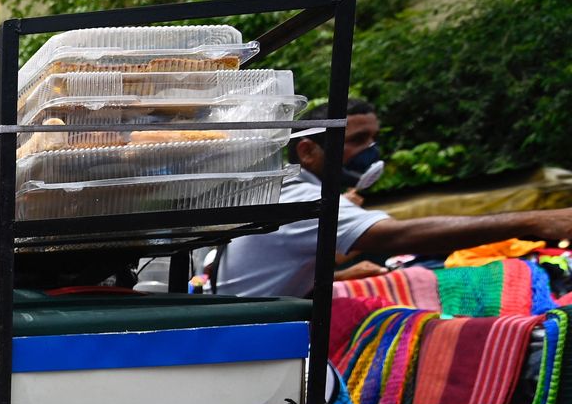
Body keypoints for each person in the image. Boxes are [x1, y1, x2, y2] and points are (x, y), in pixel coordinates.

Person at [218, 99, 572, 297]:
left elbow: (276, 272)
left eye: (373, 139)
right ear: (308, 151)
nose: (370, 150)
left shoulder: (284, 191)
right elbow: (400, 236)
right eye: (357, 140)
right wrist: (535, 220)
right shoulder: (305, 199)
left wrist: (342, 277)